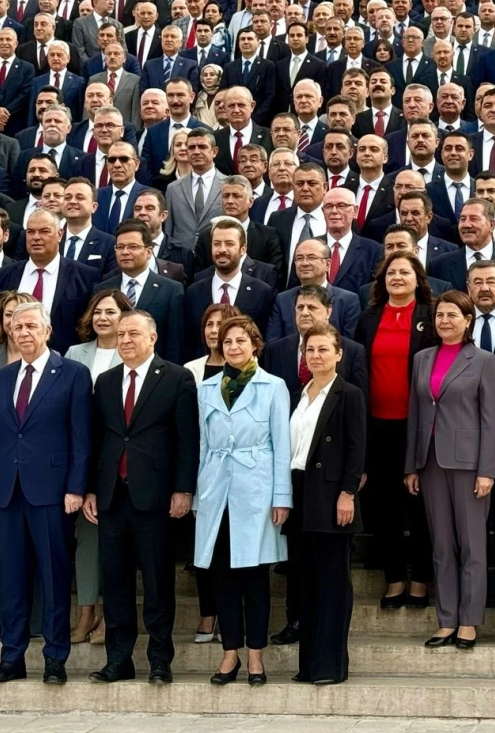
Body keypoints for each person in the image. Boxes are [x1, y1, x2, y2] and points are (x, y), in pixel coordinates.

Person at [0, 299, 92, 686]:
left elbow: (81, 436)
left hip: (52, 492)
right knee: (12, 579)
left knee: (54, 578)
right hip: (8, 493)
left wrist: (76, 486)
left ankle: (55, 658)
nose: (23, 333)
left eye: (31, 327)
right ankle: (11, 657)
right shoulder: (0, 379)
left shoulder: (73, 374)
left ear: (47, 330)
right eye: (17, 327)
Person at [83, 309, 198, 685]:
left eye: (134, 333)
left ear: (153, 338)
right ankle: (119, 659)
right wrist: (90, 489)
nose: (126, 340)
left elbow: (186, 439)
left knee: (157, 583)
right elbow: (97, 439)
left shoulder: (177, 378)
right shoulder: (106, 380)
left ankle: (160, 659)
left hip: (156, 497)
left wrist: (183, 489)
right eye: (121, 335)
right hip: (112, 497)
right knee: (115, 584)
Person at [194, 315, 291, 686]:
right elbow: (203, 445)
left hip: (256, 489)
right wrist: (200, 497)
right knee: (223, 577)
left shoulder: (273, 386)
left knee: (254, 577)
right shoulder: (206, 389)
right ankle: (229, 653)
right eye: (227, 342)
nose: (233, 347)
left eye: (240, 341)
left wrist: (281, 496)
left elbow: (280, 445)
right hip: (216, 489)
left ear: (254, 344)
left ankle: (255, 656)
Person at [404, 290, 495, 649]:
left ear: (468, 320)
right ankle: (446, 620)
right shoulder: (422, 358)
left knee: (472, 545)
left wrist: (487, 470)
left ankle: (470, 621)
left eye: (452, 316)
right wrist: (412, 464)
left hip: (468, 462)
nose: (445, 321)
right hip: (429, 462)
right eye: (440, 315)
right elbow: (416, 412)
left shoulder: (483, 360)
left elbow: (490, 419)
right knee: (441, 545)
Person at [357, 250, 439, 609]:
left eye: (405, 273)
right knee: (383, 506)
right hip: (377, 426)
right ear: (382, 280)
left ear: (417, 279)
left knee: (420, 504)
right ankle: (393, 579)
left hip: (417, 425)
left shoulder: (430, 317)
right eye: (391, 273)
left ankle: (420, 579)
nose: (397, 278)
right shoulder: (369, 317)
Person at [286, 322, 366, 684]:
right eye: (310, 349)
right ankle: (308, 665)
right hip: (300, 491)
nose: (316, 355)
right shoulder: (298, 394)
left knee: (333, 583)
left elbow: (356, 449)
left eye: (323, 349)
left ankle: (331, 666)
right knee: (306, 582)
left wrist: (347, 493)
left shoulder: (348, 393)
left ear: (338, 354)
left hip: (333, 495)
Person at [62, 288, 135, 646]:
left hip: (119, 460)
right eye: (98, 312)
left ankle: (110, 612)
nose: (103, 318)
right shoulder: (75, 354)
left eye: (111, 312)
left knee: (117, 542)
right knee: (86, 539)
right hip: (82, 456)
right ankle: (86, 611)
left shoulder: (134, 353)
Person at [182, 302, 233, 643]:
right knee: (203, 545)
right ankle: (207, 613)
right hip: (202, 468)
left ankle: (230, 615)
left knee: (231, 546)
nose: (214, 330)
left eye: (221, 324)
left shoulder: (246, 369)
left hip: (238, 472)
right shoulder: (190, 370)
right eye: (209, 324)